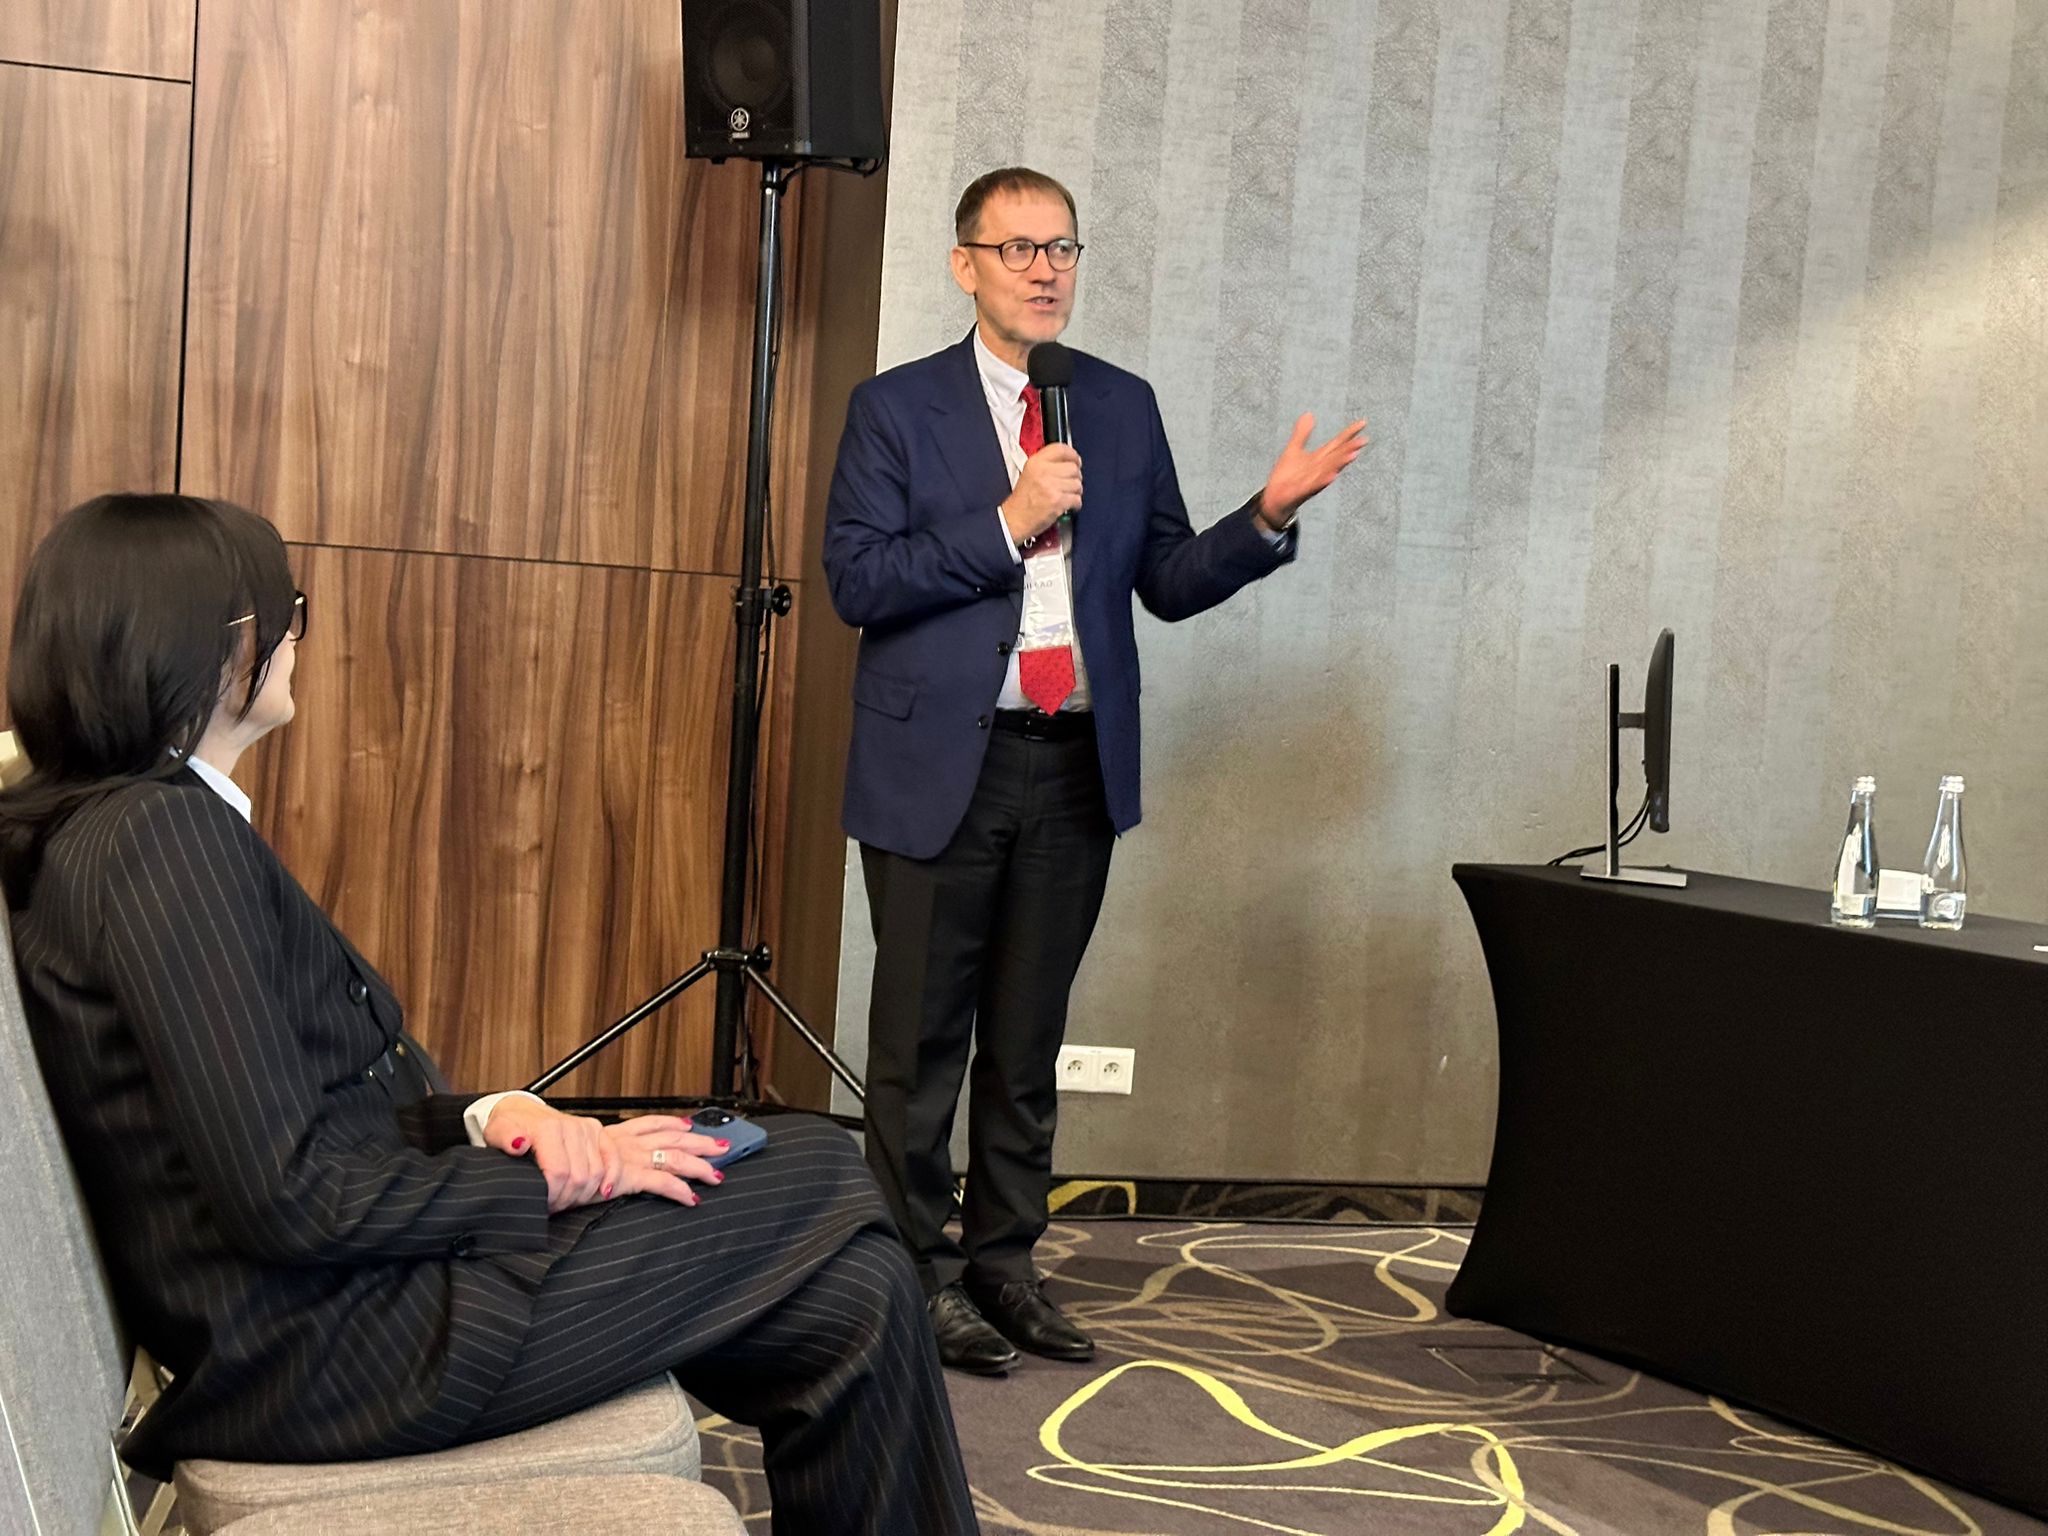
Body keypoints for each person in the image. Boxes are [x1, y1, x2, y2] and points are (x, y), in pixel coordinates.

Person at [1, 494, 977, 1536]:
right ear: (223, 644)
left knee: (854, 1299)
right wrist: (558, 1180)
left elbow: (299, 1114)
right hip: (331, 1352)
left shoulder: (128, 831)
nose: (294, 638)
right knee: (817, 1164)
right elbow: (289, 1195)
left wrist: (495, 1118)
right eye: (289, 613)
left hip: (339, 1310)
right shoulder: (158, 844)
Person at [822, 167, 1366, 1374]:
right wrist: (1008, 520)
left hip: (1071, 763)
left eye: (1061, 247)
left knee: (1029, 1038)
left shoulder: (1116, 404)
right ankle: (912, 1271)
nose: (1044, 269)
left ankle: (1004, 1264)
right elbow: (858, 582)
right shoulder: (893, 408)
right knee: (919, 1044)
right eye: (1016, 248)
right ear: (963, 266)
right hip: (938, 766)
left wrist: (1262, 517)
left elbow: (1163, 581)